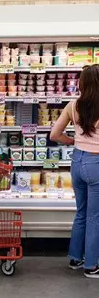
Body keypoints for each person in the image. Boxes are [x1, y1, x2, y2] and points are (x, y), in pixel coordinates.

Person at [50, 64, 99, 278]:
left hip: (77, 161)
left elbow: (54, 135)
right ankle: (91, 266)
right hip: (96, 163)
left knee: (81, 212)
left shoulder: (73, 105)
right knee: (95, 216)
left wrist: (72, 141)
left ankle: (75, 259)